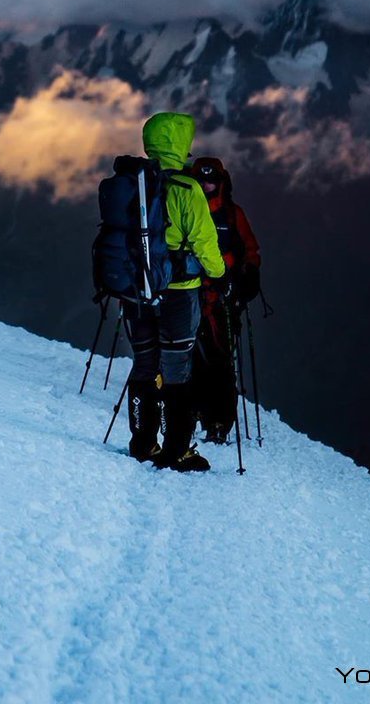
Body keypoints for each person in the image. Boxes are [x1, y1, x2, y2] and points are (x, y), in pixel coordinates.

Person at [127, 112, 226, 471]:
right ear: (181, 144)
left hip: (136, 292)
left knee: (144, 364)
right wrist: (220, 274)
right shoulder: (188, 189)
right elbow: (205, 242)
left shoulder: (131, 182)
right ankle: (176, 450)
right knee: (177, 369)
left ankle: (142, 443)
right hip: (179, 293)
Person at [190, 157, 261, 445]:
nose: (207, 186)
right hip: (198, 296)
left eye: (212, 180)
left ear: (221, 182)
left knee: (218, 361)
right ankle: (197, 413)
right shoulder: (227, 214)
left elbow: (251, 250)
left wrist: (249, 276)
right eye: (202, 180)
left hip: (221, 299)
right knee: (193, 358)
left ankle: (217, 420)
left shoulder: (232, 215)